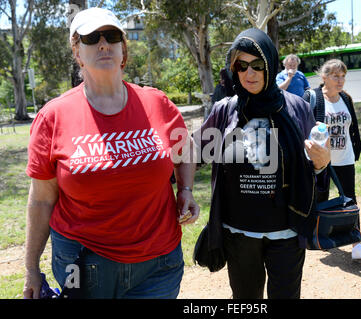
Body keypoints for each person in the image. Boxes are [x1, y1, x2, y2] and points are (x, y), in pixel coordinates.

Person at [23, 7, 199, 299]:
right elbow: (41, 200)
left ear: (122, 49)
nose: (103, 43)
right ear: (77, 52)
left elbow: (185, 148)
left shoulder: (157, 103)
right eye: (91, 38)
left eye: (112, 36)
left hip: (158, 265)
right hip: (83, 264)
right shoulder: (53, 116)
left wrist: (187, 189)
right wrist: (30, 268)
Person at [194, 28, 330, 299]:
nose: (249, 73)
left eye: (257, 64)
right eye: (241, 66)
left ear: (269, 63)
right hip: (238, 233)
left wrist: (323, 162)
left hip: (287, 232)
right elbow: (193, 152)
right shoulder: (225, 110)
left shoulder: (297, 108)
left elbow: (316, 166)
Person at [302, 59, 361, 260]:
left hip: (345, 158)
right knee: (318, 199)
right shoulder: (313, 97)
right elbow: (301, 124)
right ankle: (314, 236)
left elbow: (353, 128)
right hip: (320, 161)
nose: (340, 80)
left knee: (350, 199)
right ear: (324, 77)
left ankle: (357, 245)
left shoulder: (346, 98)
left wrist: (357, 148)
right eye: (336, 76)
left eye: (343, 76)